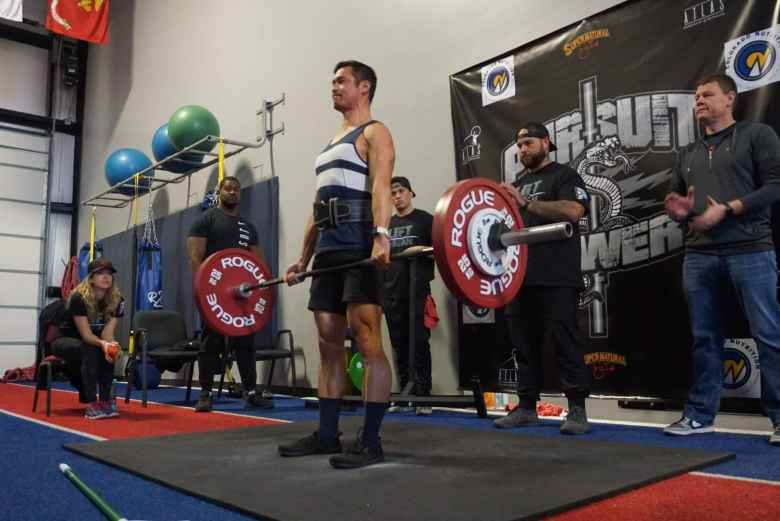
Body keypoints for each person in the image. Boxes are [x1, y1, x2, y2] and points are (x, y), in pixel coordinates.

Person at [278, 60, 394, 469]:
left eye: (341, 81)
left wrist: (382, 234)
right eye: (333, 81)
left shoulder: (375, 132)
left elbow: (381, 185)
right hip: (327, 247)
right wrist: (301, 258)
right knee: (328, 339)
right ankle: (328, 434)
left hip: (360, 241)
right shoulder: (330, 144)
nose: (334, 87)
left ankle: (371, 439)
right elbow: (317, 206)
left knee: (366, 337)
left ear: (364, 88)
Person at [663, 73, 780, 446]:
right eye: (696, 96)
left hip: (752, 250)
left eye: (707, 94)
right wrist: (678, 209)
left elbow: (775, 186)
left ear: (730, 98)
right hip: (699, 254)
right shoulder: (687, 153)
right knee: (704, 337)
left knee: (768, 335)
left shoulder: (757, 135)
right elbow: (678, 200)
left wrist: (728, 209)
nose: (699, 100)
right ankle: (699, 417)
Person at [495, 122, 592, 435]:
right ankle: (526, 408)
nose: (524, 149)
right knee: (523, 345)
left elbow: (575, 211)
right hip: (520, 276)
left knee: (565, 342)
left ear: (546, 143)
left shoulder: (565, 176)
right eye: (520, 145)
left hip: (557, 275)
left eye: (530, 143)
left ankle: (577, 410)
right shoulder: (517, 183)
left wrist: (526, 203)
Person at [187, 176, 274, 412]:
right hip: (214, 295)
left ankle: (251, 392)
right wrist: (203, 294)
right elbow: (196, 260)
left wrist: (261, 292)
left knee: (246, 342)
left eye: (237, 189)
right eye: (228, 189)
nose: (233, 193)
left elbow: (257, 265)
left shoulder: (249, 227)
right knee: (210, 342)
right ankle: (205, 393)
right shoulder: (205, 221)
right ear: (219, 192)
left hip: (241, 296)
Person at [384, 176, 435, 415]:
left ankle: (424, 396)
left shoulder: (426, 220)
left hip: (417, 290)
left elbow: (440, 252)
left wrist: (420, 251)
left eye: (401, 190)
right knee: (399, 344)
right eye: (392, 192)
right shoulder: (386, 225)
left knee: (419, 343)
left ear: (411, 193)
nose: (397, 196)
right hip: (391, 291)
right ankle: (406, 394)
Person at [52, 258, 125, 419]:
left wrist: (110, 345)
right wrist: (102, 344)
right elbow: (86, 335)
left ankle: (106, 401)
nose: (106, 277)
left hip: (91, 342)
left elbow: (107, 333)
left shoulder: (117, 300)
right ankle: (92, 403)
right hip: (65, 340)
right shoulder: (79, 298)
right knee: (92, 347)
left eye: (109, 274)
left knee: (109, 349)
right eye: (100, 273)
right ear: (91, 278)